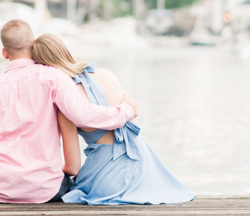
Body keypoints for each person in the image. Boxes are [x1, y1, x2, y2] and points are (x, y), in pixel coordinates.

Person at [0, 20, 139, 204]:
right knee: (65, 181)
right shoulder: (54, 78)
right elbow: (83, 115)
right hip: (46, 188)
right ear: (33, 43)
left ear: (4, 53)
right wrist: (125, 111)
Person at [31, 33, 196, 205]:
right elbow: (132, 121)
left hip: (107, 176)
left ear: (43, 68)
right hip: (144, 164)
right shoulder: (106, 74)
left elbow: (73, 167)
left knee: (73, 190)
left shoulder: (66, 101)